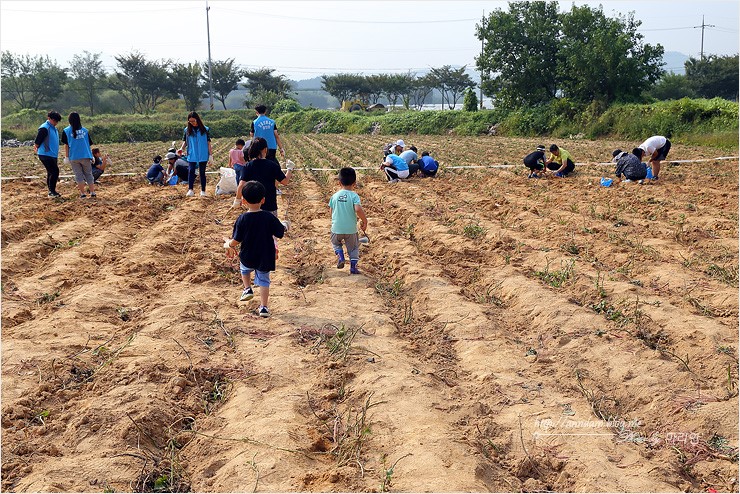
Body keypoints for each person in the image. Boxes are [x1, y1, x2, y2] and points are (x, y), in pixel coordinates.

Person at [224, 180, 286, 318]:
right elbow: (280, 233)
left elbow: (237, 239)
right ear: (263, 200)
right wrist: (285, 225)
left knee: (244, 269)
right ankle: (264, 307)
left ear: (244, 201)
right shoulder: (268, 217)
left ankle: (247, 288)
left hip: (248, 254)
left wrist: (229, 244)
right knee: (264, 280)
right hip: (265, 254)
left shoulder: (242, 218)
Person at [235, 137, 294, 213]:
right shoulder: (272, 165)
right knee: (270, 224)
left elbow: (241, 185)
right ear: (265, 149)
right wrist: (289, 169)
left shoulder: (248, 166)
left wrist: (237, 200)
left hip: (253, 207)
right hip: (270, 205)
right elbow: (285, 181)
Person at [329, 167, 368, 275]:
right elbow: (358, 209)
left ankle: (340, 255)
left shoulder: (334, 196)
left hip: (336, 228)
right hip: (351, 229)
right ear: (354, 183)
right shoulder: (354, 196)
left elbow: (331, 211)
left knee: (335, 243)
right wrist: (364, 221)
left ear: (339, 182)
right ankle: (353, 267)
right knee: (354, 248)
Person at [61, 112, 96, 198]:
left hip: (74, 157)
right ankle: (92, 192)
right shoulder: (85, 131)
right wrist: (92, 155)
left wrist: (66, 157)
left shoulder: (66, 131)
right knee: (88, 174)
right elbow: (88, 144)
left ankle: (83, 194)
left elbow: (66, 145)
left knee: (78, 175)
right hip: (85, 156)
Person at [179, 111, 212, 197]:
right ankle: (190, 189)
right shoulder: (187, 130)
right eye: (190, 121)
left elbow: (208, 143)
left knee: (202, 172)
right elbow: (185, 142)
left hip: (203, 154)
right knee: (191, 171)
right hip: (192, 154)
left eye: (193, 121)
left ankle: (203, 191)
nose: (192, 123)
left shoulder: (205, 129)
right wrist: (181, 149)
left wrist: (210, 155)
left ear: (197, 119)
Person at [33, 110, 63, 198]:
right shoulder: (45, 128)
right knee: (55, 171)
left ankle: (51, 190)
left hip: (52, 154)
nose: (56, 123)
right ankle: (52, 192)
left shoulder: (54, 128)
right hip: (45, 154)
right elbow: (38, 141)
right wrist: (36, 147)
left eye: (57, 121)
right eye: (54, 120)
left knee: (51, 172)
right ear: (49, 118)